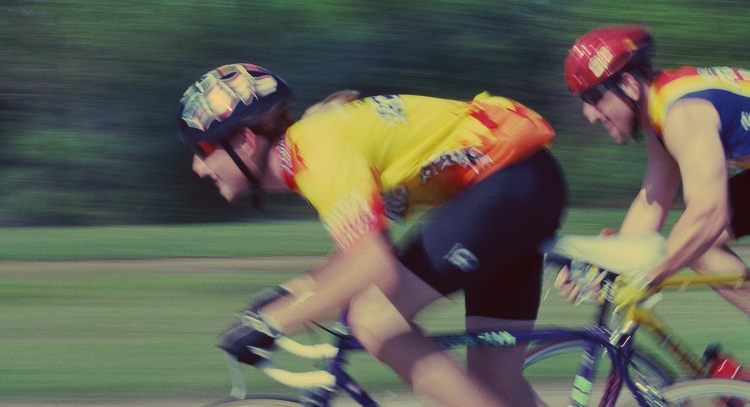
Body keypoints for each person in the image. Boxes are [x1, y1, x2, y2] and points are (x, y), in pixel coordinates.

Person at [177, 62, 567, 406]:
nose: (198, 167)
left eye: (202, 148)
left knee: (373, 319)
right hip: (519, 185)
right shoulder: (310, 147)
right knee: (494, 384)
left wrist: (274, 323)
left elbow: (374, 265)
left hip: (509, 186)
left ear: (244, 142)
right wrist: (296, 291)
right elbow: (356, 253)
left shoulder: (317, 151)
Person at [557, 24, 750, 315]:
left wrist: (649, 276)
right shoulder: (662, 109)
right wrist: (606, 261)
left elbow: (710, 211)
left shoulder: (683, 113)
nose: (590, 114)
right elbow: (652, 202)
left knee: (698, 236)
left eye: (595, 98)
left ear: (629, 85)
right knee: (699, 245)